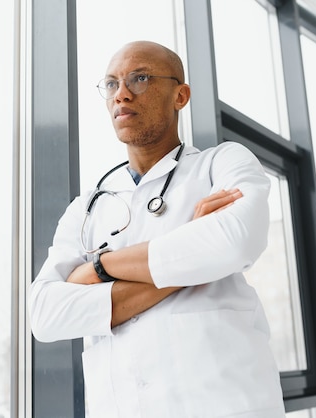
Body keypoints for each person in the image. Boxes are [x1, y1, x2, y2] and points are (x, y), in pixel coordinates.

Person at [29, 40, 285, 418]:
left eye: (140, 78)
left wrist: (101, 267)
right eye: (112, 84)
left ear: (180, 96)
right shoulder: (86, 207)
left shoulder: (222, 163)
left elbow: (235, 243)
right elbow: (45, 316)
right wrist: (190, 255)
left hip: (226, 404)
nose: (122, 95)